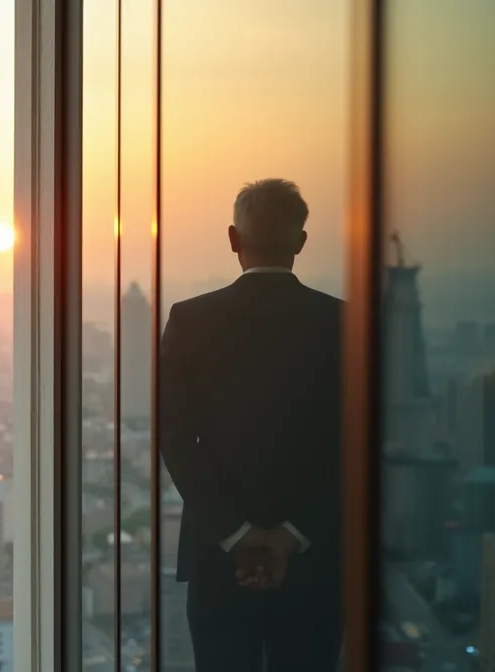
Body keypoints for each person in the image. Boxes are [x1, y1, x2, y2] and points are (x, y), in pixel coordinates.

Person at [160, 178, 343, 670]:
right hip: (316, 559)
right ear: (301, 241)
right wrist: (292, 534)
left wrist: (235, 532)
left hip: (218, 558)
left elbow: (175, 438)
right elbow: (353, 445)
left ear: (233, 239)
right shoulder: (342, 322)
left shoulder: (190, 319)